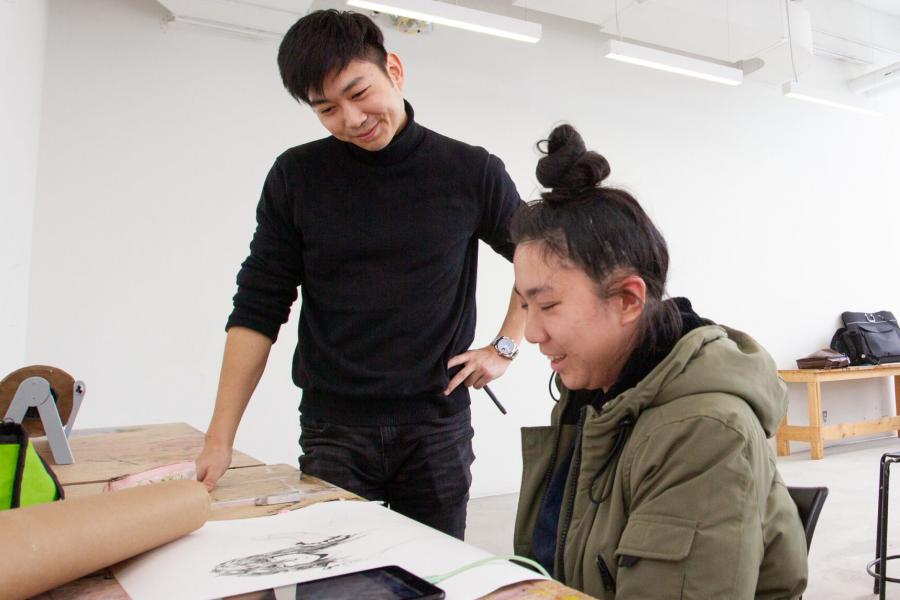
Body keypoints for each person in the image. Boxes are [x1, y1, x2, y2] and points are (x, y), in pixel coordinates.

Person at [195, 10, 525, 540]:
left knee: (430, 581)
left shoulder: (470, 171)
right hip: (335, 430)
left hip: (435, 427)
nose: (351, 118)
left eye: (358, 92)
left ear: (394, 70)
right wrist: (220, 437)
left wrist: (505, 346)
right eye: (327, 108)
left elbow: (539, 260)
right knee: (334, 586)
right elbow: (258, 306)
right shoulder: (297, 177)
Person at [510, 125, 808, 598]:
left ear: (629, 299)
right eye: (526, 306)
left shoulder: (705, 431)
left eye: (547, 306)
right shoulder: (594, 396)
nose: (531, 332)